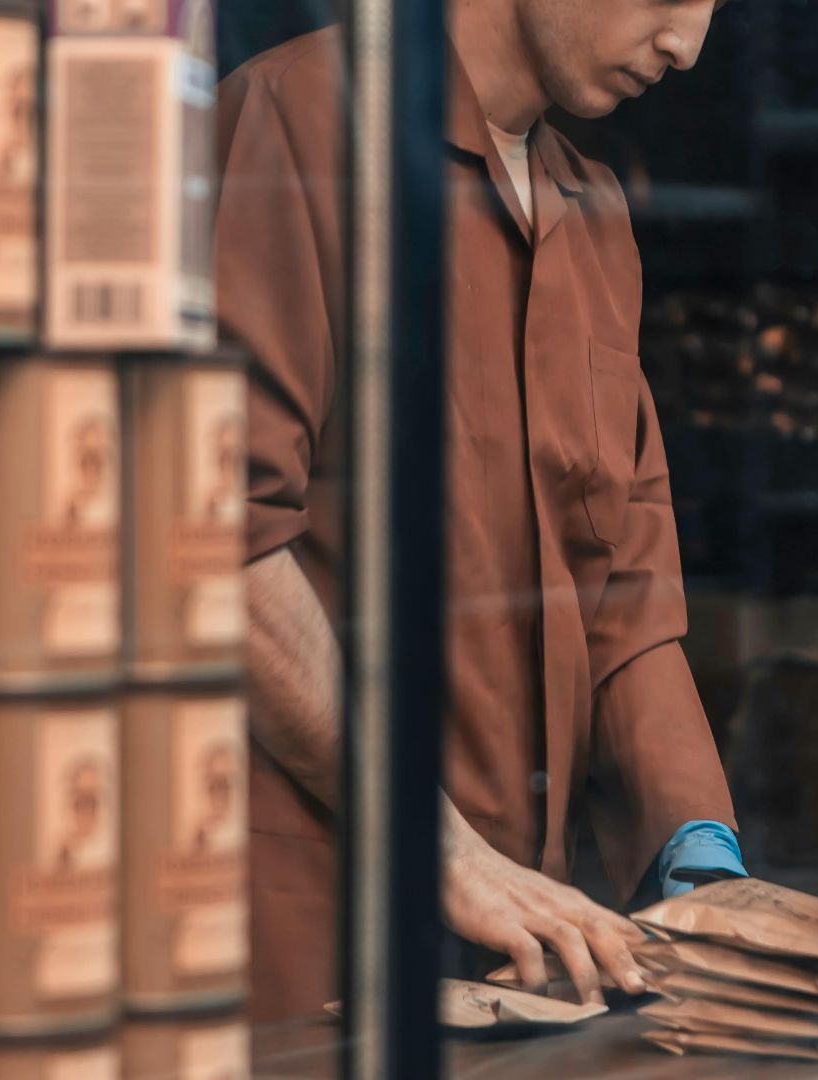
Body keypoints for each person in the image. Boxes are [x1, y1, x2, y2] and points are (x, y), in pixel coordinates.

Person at [218, 0, 745, 1020]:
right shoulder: (302, 119)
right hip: (312, 958)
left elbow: (625, 598)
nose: (689, 45)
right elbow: (211, 543)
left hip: (526, 962)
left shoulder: (593, 212)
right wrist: (436, 844)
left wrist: (704, 865)